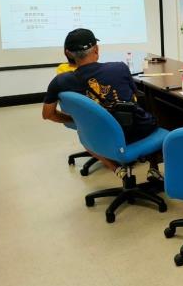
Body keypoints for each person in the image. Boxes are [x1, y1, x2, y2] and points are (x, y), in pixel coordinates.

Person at [42, 28, 161, 181]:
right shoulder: (119, 68)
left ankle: (116, 169)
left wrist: (77, 121)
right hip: (133, 132)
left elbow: (47, 114)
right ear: (96, 49)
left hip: (98, 136)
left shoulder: (60, 81)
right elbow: (135, 97)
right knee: (152, 110)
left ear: (68, 53)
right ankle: (153, 168)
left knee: (82, 132)